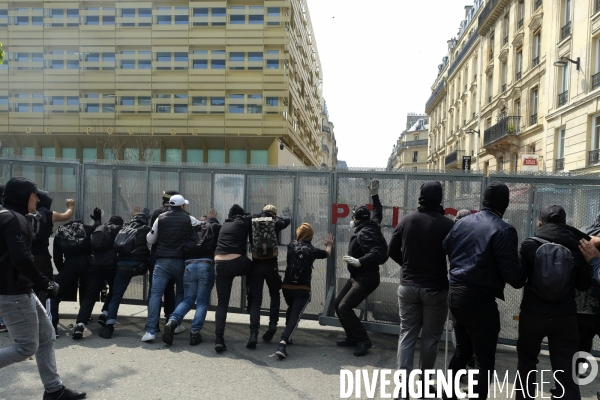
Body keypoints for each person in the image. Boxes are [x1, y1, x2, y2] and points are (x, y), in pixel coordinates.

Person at [0, 177, 86, 400]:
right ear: (22, 196)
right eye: (34, 194)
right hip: (14, 292)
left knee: (47, 336)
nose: (38, 198)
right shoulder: (13, 219)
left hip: (19, 289)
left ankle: (54, 390)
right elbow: (21, 257)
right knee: (26, 346)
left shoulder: (9, 216)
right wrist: (44, 283)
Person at [442, 181, 526, 400]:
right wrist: (525, 265)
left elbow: (445, 246)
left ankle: (448, 394)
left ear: (483, 201)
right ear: (505, 204)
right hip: (480, 302)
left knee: (462, 351)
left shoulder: (462, 222)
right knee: (484, 361)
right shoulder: (504, 230)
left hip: (456, 296)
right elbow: (514, 277)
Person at [515, 205, 591, 400]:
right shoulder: (579, 246)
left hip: (532, 314)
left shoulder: (529, 244)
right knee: (565, 369)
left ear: (540, 222)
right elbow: (583, 285)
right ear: (565, 222)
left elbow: (519, 279)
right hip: (565, 316)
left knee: (527, 364)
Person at [387, 181, 454, 389]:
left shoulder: (407, 221)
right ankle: (425, 383)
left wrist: (406, 264)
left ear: (421, 196)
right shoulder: (447, 224)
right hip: (435, 288)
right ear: (440, 197)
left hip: (408, 285)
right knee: (430, 338)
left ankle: (403, 386)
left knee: (406, 334)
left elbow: (391, 250)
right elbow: (455, 255)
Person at [335, 179, 388, 357]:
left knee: (344, 307)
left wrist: (360, 262)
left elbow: (378, 253)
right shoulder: (372, 224)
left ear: (357, 219)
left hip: (366, 276)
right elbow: (378, 212)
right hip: (358, 276)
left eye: (353, 217)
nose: (352, 219)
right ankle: (352, 337)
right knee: (338, 304)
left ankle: (363, 340)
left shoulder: (365, 232)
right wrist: (374, 196)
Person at [143, 194, 202, 342]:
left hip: (162, 262)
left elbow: (150, 239)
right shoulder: (189, 218)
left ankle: (150, 331)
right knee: (181, 293)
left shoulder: (160, 218)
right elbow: (200, 231)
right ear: (182, 205)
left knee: (155, 294)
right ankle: (175, 324)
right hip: (183, 262)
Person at [163, 208, 221, 346]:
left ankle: (172, 321)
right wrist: (212, 219)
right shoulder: (212, 228)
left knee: (188, 299)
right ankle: (194, 333)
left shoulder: (189, 229)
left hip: (189, 265)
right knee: (201, 301)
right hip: (205, 264)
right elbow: (217, 230)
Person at [275, 224, 333, 359]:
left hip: (287, 288)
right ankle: (283, 342)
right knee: (295, 316)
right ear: (311, 236)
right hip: (303, 289)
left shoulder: (291, 246)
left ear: (298, 234)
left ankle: (287, 337)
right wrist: (328, 244)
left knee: (291, 308)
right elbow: (327, 253)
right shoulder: (313, 250)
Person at [100, 212, 151, 339]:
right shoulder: (146, 229)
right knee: (154, 290)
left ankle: (109, 327)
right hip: (139, 266)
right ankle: (153, 325)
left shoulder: (124, 229)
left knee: (115, 297)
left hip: (122, 267)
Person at [72, 215, 123, 339]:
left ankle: (80, 325)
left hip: (94, 265)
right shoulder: (119, 229)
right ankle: (105, 314)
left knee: (90, 295)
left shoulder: (99, 228)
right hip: (111, 265)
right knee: (114, 290)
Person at [50, 209, 101, 336]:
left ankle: (53, 326)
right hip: (89, 263)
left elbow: (57, 257)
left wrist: (64, 271)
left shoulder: (61, 232)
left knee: (53, 292)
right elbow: (97, 229)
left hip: (71, 264)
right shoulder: (87, 229)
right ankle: (80, 324)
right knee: (88, 294)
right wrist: (98, 219)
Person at [247, 204, 291, 348]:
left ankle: (253, 334)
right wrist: (277, 217)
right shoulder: (275, 222)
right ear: (273, 214)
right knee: (274, 294)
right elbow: (287, 220)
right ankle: (273, 325)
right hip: (271, 265)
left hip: (256, 265)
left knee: (256, 301)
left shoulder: (253, 221)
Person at [213, 204, 253, 353]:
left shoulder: (225, 224)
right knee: (253, 267)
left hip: (219, 264)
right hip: (237, 262)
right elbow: (260, 217)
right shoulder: (243, 220)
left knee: (222, 303)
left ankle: (219, 338)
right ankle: (250, 297)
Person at [29, 193, 75, 304]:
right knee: (47, 284)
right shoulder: (49, 214)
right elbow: (66, 216)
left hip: (28, 255)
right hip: (43, 257)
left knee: (29, 283)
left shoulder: (26, 213)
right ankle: (46, 307)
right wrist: (71, 206)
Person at [148, 190, 179, 332]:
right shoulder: (183, 215)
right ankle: (170, 319)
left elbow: (151, 236)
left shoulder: (157, 213)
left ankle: (153, 324)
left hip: (157, 254)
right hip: (176, 256)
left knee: (155, 290)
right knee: (170, 289)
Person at [575, 212, 600, 370]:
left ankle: (564, 389)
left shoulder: (582, 232)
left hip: (579, 306)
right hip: (597, 306)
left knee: (577, 350)